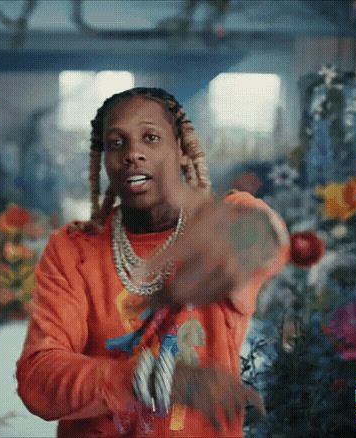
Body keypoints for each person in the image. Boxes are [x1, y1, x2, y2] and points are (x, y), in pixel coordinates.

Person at [15, 87, 290, 437]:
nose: (133, 154)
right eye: (117, 143)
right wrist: (145, 378)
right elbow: (38, 378)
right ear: (104, 161)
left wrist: (240, 241)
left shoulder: (224, 220)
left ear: (181, 151)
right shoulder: (74, 249)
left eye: (150, 137)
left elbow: (266, 236)